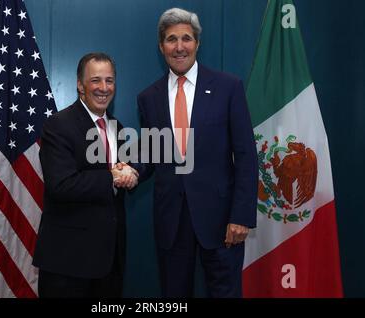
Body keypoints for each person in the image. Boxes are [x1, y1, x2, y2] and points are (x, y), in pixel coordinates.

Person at [132, 8, 258, 297]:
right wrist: (133, 170)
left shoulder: (229, 87)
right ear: (161, 46)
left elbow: (246, 156)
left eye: (186, 38)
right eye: (171, 39)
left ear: (197, 43)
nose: (179, 47)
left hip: (222, 221)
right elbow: (153, 152)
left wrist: (241, 215)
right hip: (171, 222)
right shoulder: (148, 98)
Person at [32, 52, 138, 297]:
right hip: (69, 265)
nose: (103, 88)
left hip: (110, 263)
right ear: (80, 85)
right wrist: (112, 176)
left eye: (109, 80)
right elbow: (61, 184)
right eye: (95, 80)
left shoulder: (117, 127)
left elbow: (121, 174)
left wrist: (130, 175)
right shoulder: (58, 125)